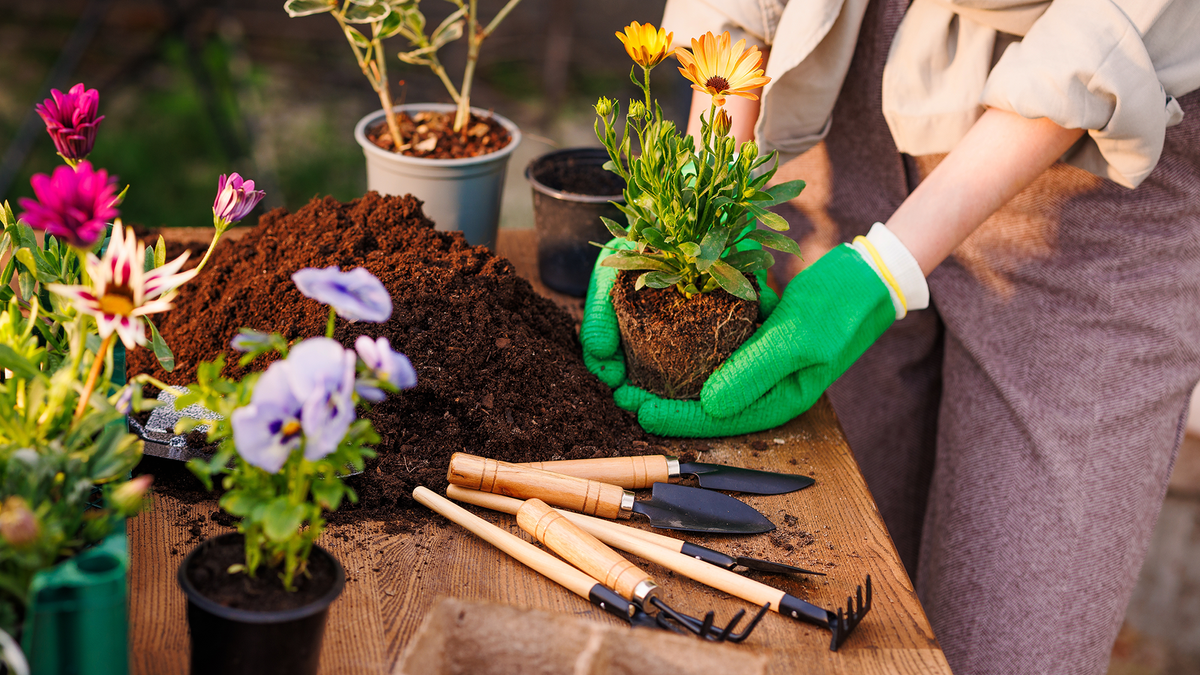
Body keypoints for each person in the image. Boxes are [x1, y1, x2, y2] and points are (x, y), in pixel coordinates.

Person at [579, 1, 1200, 673]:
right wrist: (698, 200)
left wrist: (885, 268)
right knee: (828, 606)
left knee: (1012, 646)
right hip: (839, 104)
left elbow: (1113, 33)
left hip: (1089, 171)